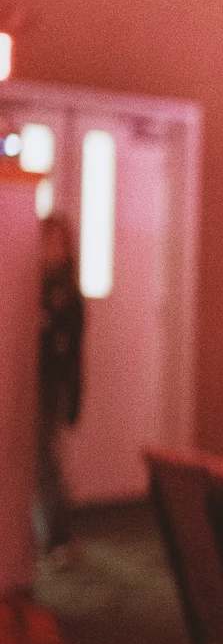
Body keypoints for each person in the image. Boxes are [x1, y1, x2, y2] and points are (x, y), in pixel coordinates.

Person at [33, 212, 83, 565]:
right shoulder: (30, 287)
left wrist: (74, 397)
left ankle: (59, 535)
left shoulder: (68, 296)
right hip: (29, 383)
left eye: (56, 242)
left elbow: (74, 353)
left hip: (49, 386)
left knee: (44, 459)